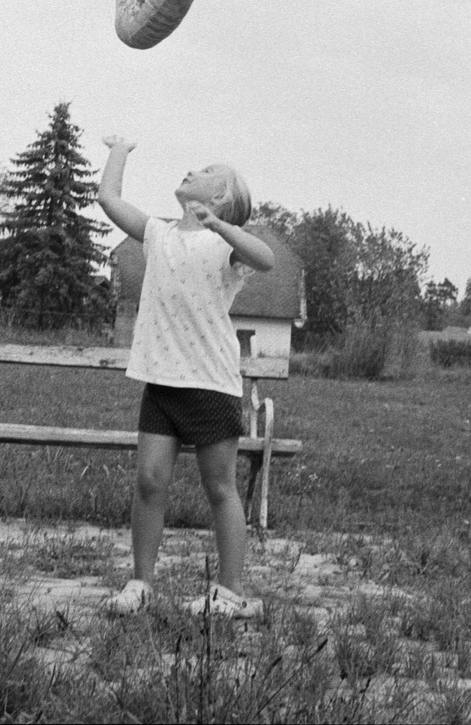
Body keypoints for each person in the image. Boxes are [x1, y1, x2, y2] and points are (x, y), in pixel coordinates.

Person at [97, 135, 275, 618]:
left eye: (206, 171)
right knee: (150, 482)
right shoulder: (159, 233)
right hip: (161, 382)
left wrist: (222, 226)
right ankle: (140, 583)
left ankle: (231, 592)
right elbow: (109, 200)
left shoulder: (225, 247)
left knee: (220, 488)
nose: (192, 171)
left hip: (211, 385)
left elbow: (266, 259)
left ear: (218, 198)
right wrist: (119, 149)